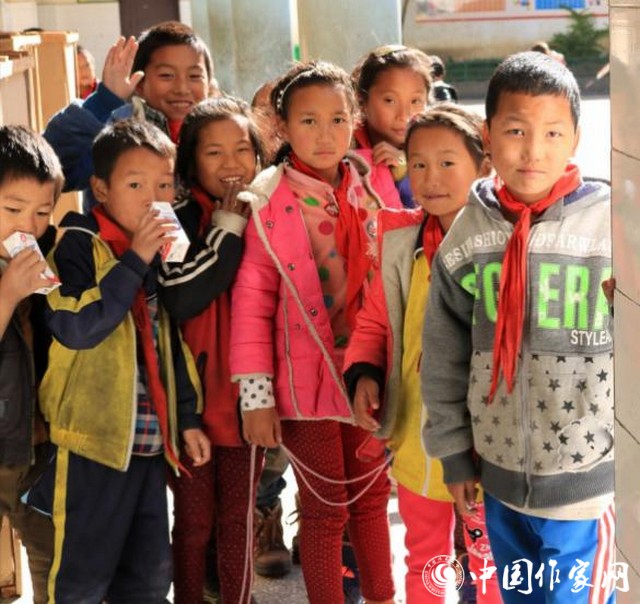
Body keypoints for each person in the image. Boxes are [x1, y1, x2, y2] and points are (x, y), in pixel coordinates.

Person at [421, 51, 614, 603]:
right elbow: (443, 353)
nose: (534, 151)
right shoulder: (470, 232)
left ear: (576, 139)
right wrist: (454, 453)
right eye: (515, 131)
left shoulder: (609, 226)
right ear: (487, 136)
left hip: (587, 485)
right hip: (499, 478)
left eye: (553, 133)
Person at [230, 61, 401, 604]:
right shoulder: (268, 201)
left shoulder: (369, 186)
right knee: (326, 511)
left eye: (337, 119)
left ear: (355, 120)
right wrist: (256, 398)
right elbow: (252, 306)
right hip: (305, 387)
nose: (325, 135)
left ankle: (382, 596)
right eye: (308, 121)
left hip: (368, 373)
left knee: (371, 500)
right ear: (281, 127)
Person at [26, 119, 207, 603]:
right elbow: (77, 327)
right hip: (91, 445)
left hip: (148, 448)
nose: (153, 199)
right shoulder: (77, 245)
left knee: (148, 579)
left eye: (164, 186)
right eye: (135, 185)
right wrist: (134, 261)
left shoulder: (158, 252)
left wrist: (187, 418)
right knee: (82, 579)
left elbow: (169, 341)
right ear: (101, 189)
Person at [344, 104, 501, 604]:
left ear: (484, 166)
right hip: (417, 431)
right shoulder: (402, 242)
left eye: (447, 163)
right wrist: (364, 374)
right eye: (418, 164)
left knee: (489, 559)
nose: (431, 178)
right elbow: (374, 321)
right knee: (424, 556)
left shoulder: (503, 244)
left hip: (485, 436)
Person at [157, 96, 267, 603]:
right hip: (193, 402)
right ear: (190, 164)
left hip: (250, 398)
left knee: (237, 518)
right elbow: (182, 295)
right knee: (195, 519)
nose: (231, 164)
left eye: (242, 149)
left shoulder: (268, 214)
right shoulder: (174, 220)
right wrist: (226, 228)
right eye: (214, 152)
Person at [45, 20, 215, 209]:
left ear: (209, 83)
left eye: (194, 76)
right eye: (166, 75)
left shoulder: (221, 130)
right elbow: (53, 169)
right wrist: (104, 100)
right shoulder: (115, 130)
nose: (182, 88)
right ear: (139, 83)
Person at [0, 125, 63, 604]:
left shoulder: (50, 251)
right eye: (12, 210)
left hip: (35, 444)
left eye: (42, 212)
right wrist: (8, 293)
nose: (29, 225)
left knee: (52, 557)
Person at [351, 44, 432, 208]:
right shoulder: (345, 148)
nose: (404, 115)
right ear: (362, 101)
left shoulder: (438, 143)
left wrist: (405, 171)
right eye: (390, 100)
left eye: (415, 101)